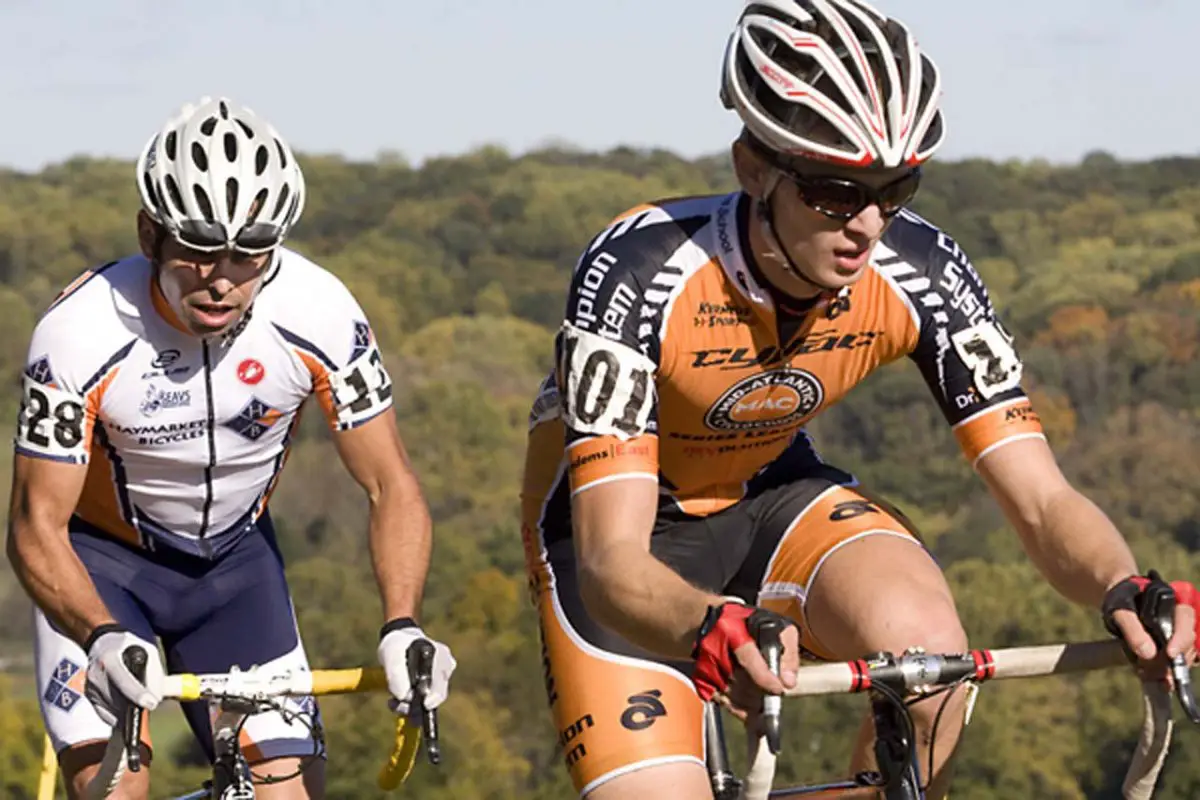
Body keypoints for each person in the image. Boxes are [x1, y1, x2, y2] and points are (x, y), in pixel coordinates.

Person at [518, 2, 1199, 798]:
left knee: (934, 668)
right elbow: (611, 563)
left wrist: (1125, 584)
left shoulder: (920, 270)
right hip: (623, 534)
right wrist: (707, 626)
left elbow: (1043, 500)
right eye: (836, 192)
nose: (868, 223)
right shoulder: (641, 270)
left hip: (772, 492)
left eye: (896, 188)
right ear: (753, 167)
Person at [5, 96, 456, 800]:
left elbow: (390, 485)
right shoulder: (79, 333)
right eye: (196, 249)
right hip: (100, 570)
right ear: (149, 233)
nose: (221, 276)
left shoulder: (320, 312)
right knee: (115, 786)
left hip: (234, 572)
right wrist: (96, 634)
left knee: (286, 793)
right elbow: (35, 526)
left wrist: (403, 623)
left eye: (249, 254)